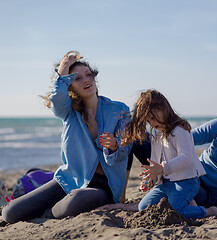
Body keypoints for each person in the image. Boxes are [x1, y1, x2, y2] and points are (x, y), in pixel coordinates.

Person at [1, 51, 131, 223]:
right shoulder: (68, 112)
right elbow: (57, 98)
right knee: (10, 213)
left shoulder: (119, 109)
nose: (86, 80)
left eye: (89, 75)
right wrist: (63, 68)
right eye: (77, 78)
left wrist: (114, 146)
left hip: (104, 187)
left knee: (76, 199)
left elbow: (125, 151)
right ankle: (48, 205)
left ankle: (47, 214)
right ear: (70, 86)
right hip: (70, 179)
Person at [118, 89, 217, 218]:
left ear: (163, 109)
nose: (152, 123)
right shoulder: (156, 133)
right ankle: (187, 203)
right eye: (148, 121)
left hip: (186, 181)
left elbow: (186, 158)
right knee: (143, 207)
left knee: (176, 211)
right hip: (166, 184)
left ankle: (209, 211)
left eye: (152, 118)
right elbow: (155, 161)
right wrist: (152, 177)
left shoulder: (180, 130)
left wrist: (162, 168)